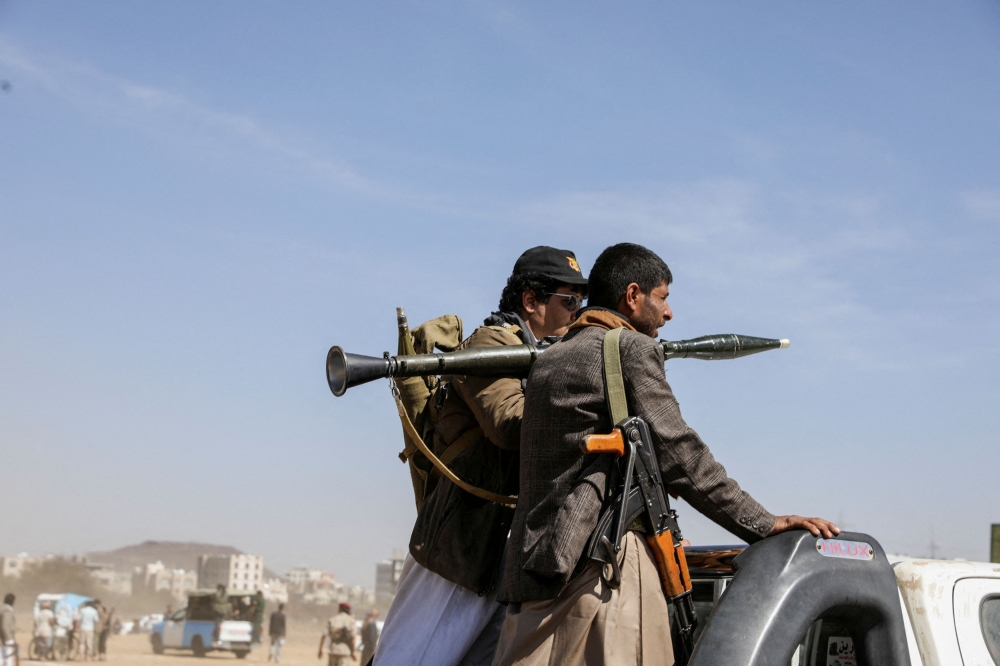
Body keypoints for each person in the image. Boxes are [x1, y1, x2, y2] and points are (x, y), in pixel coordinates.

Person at [492, 243, 840, 666]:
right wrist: (764, 523)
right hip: (605, 575)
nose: (669, 313)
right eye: (663, 297)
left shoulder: (549, 359)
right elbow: (681, 454)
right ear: (633, 296)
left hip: (538, 575)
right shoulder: (629, 350)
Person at [373, 246, 589, 666]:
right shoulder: (491, 343)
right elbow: (509, 424)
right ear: (531, 301)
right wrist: (580, 396)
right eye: (569, 302)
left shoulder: (541, 356)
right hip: (459, 547)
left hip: (500, 555)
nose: (577, 314)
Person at [0, 594, 15, 666]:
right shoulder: (7, 610)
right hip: (4, 639)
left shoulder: (2, 608)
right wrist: (9, 639)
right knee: (7, 659)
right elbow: (5, 626)